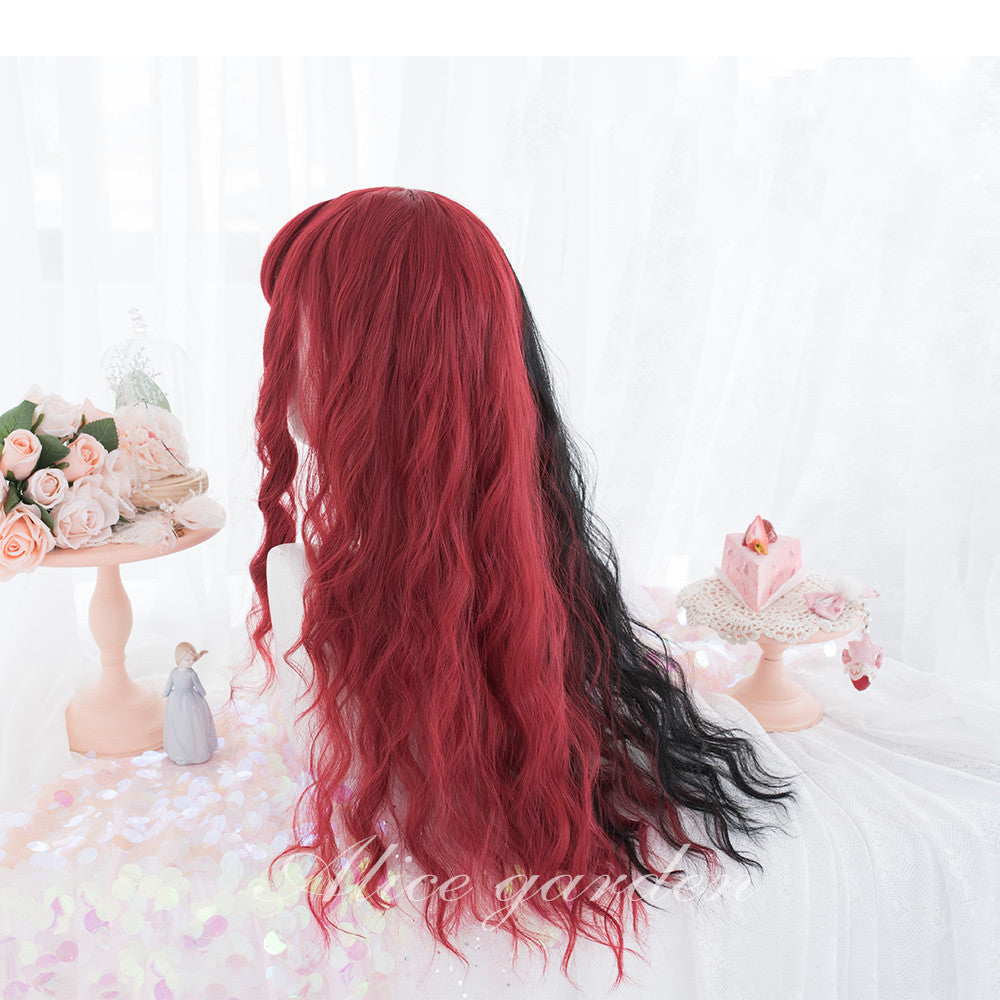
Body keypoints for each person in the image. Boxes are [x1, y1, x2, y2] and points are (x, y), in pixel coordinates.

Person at [246, 186, 1000, 998]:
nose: (282, 366)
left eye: (303, 336)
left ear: (375, 370)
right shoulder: (526, 569)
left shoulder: (308, 584)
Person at [163, 640, 218, 765]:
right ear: (179, 659)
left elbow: (198, 685)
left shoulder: (191, 673)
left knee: (193, 725)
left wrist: (202, 694)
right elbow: (169, 684)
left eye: (192, 659)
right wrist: (165, 693)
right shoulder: (174, 672)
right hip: (176, 702)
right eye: (187, 659)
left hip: (191, 701)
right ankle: (180, 752)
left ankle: (195, 753)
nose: (190, 662)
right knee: (179, 726)